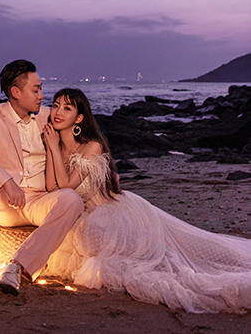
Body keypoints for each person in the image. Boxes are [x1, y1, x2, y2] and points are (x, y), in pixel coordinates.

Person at [41, 88, 251, 313]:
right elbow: (52, 187)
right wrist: (53, 149)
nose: (58, 112)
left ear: (79, 118)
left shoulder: (92, 146)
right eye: (56, 105)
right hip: (86, 216)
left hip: (115, 214)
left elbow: (66, 186)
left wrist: (52, 146)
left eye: (67, 108)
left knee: (184, 255)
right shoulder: (58, 146)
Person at [0, 60, 84, 298]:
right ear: (16, 92)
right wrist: (6, 182)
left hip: (39, 201)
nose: (41, 96)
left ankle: (17, 268)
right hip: (5, 203)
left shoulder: (49, 116)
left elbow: (80, 142)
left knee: (71, 199)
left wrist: (100, 169)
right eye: (36, 90)